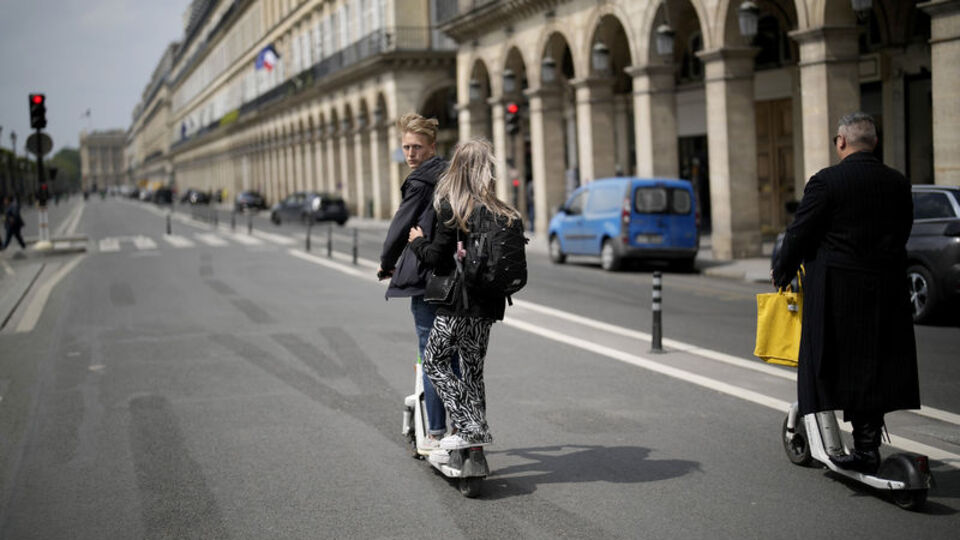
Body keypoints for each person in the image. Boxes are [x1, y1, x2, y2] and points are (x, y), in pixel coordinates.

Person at [772, 112, 920, 474]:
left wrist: (783, 269)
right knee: (874, 367)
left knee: (831, 365)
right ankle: (867, 445)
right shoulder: (898, 183)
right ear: (875, 142)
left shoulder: (827, 182)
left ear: (841, 142)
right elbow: (903, 232)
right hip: (886, 291)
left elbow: (799, 231)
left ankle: (853, 445)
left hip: (837, 293)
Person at [407, 138, 519, 451]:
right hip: (490, 303)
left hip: (458, 303)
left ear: (457, 167)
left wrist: (417, 241)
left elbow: (435, 258)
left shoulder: (453, 207)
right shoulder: (500, 209)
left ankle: (469, 426)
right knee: (472, 371)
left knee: (434, 363)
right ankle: (476, 432)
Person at [378, 112, 459, 448]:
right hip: (456, 275)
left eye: (417, 147)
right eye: (406, 147)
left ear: (431, 147)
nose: (410, 154)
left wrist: (387, 263)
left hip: (428, 275)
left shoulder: (420, 181)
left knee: (431, 352)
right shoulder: (452, 174)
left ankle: (434, 433)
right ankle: (463, 427)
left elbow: (401, 225)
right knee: (454, 353)